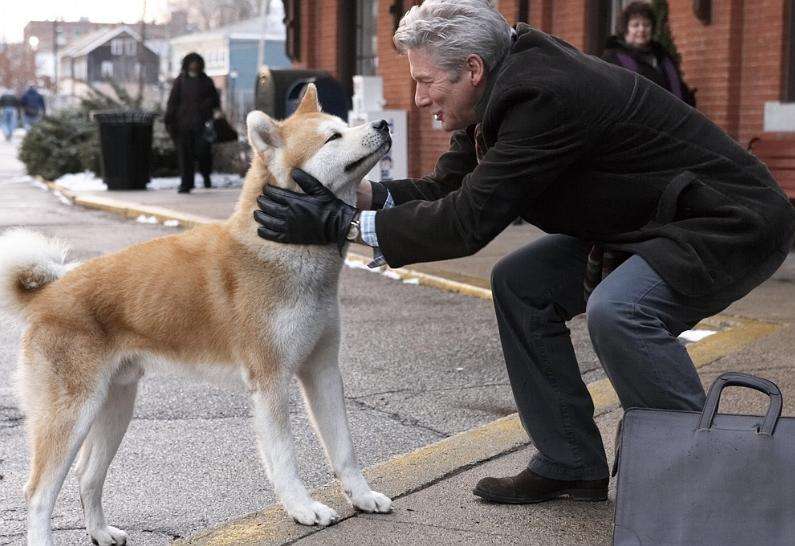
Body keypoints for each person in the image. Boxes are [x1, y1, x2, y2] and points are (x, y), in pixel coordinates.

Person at [253, 0, 795, 505]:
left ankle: (702, 481)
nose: (418, 99)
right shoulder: (497, 89)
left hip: (726, 221)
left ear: (471, 69)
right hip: (647, 223)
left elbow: (468, 223)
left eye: (424, 82)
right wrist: (357, 195)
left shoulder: (542, 95)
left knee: (621, 311)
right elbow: (451, 189)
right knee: (521, 283)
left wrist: (342, 224)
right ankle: (570, 461)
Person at [603, 1, 696, 107]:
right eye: (635, 25)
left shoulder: (664, 57)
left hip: (670, 119)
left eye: (646, 24)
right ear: (625, 29)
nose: (641, 29)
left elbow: (679, 89)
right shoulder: (613, 59)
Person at [164, 52, 220, 194]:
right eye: (191, 62)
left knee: (203, 154)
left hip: (202, 125)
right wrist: (169, 120)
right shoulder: (180, 81)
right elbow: (173, 102)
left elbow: (215, 101)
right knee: (185, 156)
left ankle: (206, 176)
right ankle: (186, 184)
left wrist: (206, 106)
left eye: (196, 62)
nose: (194, 65)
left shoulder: (206, 81)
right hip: (183, 125)